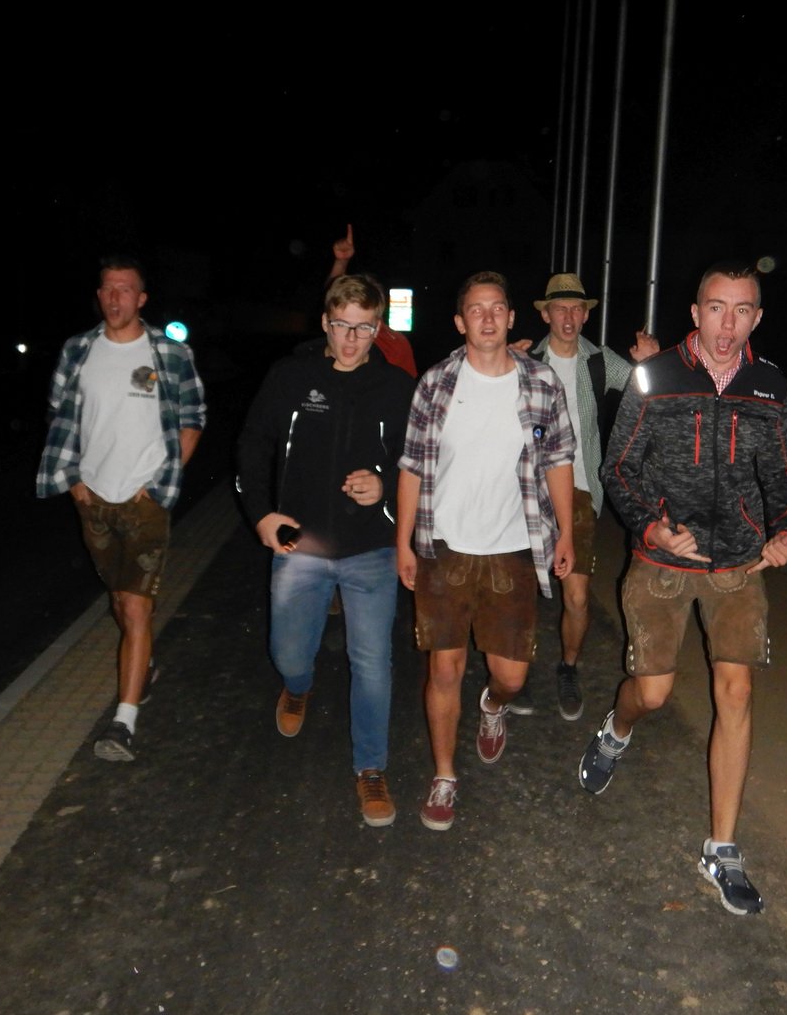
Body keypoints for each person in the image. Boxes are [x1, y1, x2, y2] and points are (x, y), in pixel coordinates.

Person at [579, 260, 787, 915]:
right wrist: (651, 527)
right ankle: (617, 728)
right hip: (662, 561)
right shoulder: (656, 377)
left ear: (757, 318)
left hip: (737, 566)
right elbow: (618, 469)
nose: (727, 323)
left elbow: (783, 475)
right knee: (652, 694)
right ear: (695, 312)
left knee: (735, 691)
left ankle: (722, 848)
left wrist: (784, 530)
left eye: (741, 310)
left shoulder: (769, 385)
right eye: (716, 307)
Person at [396, 270, 575, 831]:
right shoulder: (435, 384)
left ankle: (493, 706)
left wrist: (566, 532)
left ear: (512, 316)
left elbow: (559, 459)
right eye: (476, 309)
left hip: (514, 547)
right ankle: (444, 775)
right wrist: (403, 541)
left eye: (497, 307)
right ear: (460, 321)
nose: (488, 318)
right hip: (444, 546)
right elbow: (411, 466)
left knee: (512, 677)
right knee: (444, 668)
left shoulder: (540, 382)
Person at [236, 274, 414, 826]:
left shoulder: (396, 387)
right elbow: (252, 444)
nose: (351, 339)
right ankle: (298, 686)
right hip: (300, 542)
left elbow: (415, 462)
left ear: (378, 329)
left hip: (371, 548)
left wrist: (384, 484)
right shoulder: (291, 377)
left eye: (363, 328)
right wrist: (262, 515)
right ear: (325, 323)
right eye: (342, 326)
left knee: (373, 662)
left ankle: (371, 768)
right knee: (289, 653)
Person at [37, 255, 206, 762]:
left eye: (125, 289)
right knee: (117, 599)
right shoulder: (78, 350)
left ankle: (123, 722)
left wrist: (158, 484)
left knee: (136, 607)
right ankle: (144, 665)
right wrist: (74, 482)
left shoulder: (168, 353)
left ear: (142, 299)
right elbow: (60, 414)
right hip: (93, 498)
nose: (115, 298)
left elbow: (193, 418)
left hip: (144, 500)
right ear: (99, 296)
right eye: (108, 289)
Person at [512, 272, 659, 721]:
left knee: (576, 596)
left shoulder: (599, 361)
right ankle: (514, 672)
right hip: (526, 490)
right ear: (545, 314)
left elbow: (649, 395)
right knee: (519, 591)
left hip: (579, 490)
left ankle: (568, 667)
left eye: (576, 308)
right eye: (560, 308)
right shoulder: (525, 360)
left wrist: (650, 364)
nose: (569, 316)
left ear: (586, 314)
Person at [327, 223, 418, 377]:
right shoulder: (335, 328)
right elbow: (332, 299)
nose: (351, 337)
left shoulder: (396, 343)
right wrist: (341, 263)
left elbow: (405, 386)